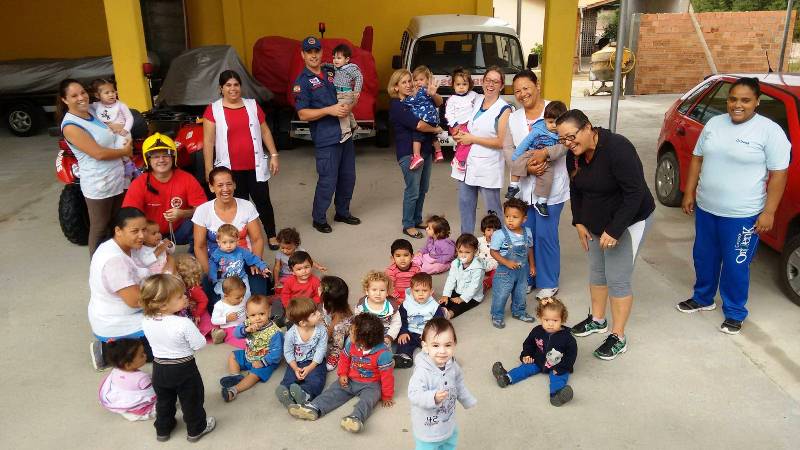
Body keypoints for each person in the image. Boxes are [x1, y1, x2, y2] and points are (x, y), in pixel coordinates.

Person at [677, 77, 790, 335]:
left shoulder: (769, 131)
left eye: (745, 100)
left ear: (757, 102)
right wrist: (689, 192)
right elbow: (697, 158)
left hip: (742, 215)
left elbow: (779, 174)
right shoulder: (714, 123)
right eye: (733, 99)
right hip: (707, 208)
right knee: (704, 256)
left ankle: (735, 312)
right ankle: (703, 298)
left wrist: (769, 211)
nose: (737, 105)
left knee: (735, 264)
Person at [557, 109, 655, 360]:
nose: (568, 143)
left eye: (571, 136)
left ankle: (618, 336)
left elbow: (635, 193)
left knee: (617, 278)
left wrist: (614, 229)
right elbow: (576, 189)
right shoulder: (574, 155)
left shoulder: (618, 149)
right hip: (595, 224)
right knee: (597, 271)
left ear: (588, 127)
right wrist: (579, 221)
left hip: (629, 221)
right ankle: (598, 320)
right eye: (563, 139)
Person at [505, 70, 569, 300]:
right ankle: (529, 278)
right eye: (517, 91)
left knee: (545, 236)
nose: (522, 94)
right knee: (526, 236)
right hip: (524, 189)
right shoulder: (514, 118)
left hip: (551, 189)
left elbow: (567, 142)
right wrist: (525, 168)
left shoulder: (556, 110)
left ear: (537, 85)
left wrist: (546, 154)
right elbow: (510, 149)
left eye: (526, 88)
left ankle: (548, 282)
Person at [203, 70, 281, 249]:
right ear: (221, 88)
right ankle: (240, 238)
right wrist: (208, 169)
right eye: (228, 85)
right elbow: (208, 141)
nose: (233, 89)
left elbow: (265, 131)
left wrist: (274, 155)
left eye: (236, 85)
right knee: (238, 205)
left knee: (263, 201)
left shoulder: (252, 105)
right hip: (229, 170)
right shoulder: (213, 109)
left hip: (255, 166)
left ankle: (271, 235)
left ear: (241, 87)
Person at [293, 36, 361, 233]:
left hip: (345, 133)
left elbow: (349, 87)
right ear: (303, 55)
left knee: (348, 177)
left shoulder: (332, 70)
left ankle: (342, 212)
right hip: (327, 138)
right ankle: (319, 218)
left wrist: (351, 103)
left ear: (322, 52)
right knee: (327, 180)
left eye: (317, 51)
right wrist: (329, 110)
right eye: (309, 52)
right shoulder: (302, 82)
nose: (314, 55)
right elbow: (303, 113)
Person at [287, 313, 395, 434]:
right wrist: (343, 373)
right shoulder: (352, 345)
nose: (349, 332)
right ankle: (314, 407)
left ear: (363, 339)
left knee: (368, 400)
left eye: (352, 331)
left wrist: (387, 396)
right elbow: (344, 358)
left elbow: (387, 377)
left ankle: (356, 418)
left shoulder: (383, 354)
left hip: (371, 384)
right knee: (334, 390)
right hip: (351, 379)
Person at [58, 78, 131, 256]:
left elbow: (110, 114)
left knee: (116, 223)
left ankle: (116, 262)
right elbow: (98, 153)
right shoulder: (71, 125)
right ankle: (97, 267)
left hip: (115, 177)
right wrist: (125, 151)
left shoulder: (91, 111)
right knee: (99, 227)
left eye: (83, 92)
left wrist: (115, 125)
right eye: (74, 95)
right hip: (98, 183)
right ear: (64, 100)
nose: (81, 97)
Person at [140, 274, 215, 443]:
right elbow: (199, 344)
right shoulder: (183, 323)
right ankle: (196, 429)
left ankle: (163, 429)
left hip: (159, 367)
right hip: (184, 368)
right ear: (163, 304)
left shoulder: (146, 320)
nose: (185, 297)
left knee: (164, 400)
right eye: (180, 296)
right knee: (191, 400)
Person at [88, 207, 151, 371]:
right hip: (118, 322)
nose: (142, 236)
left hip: (115, 315)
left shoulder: (116, 246)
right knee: (170, 337)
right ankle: (106, 351)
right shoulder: (115, 261)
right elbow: (135, 301)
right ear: (118, 231)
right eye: (135, 231)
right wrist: (165, 298)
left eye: (144, 230)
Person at [451, 66, 512, 235]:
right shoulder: (476, 100)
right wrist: (459, 134)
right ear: (482, 82)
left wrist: (472, 139)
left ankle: (499, 244)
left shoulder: (504, 109)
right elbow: (464, 122)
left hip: (488, 167)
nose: (490, 84)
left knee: (493, 212)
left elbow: (501, 142)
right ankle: (466, 244)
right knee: (465, 208)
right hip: (467, 164)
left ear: (501, 86)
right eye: (488, 80)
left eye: (495, 82)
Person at [192, 167, 269, 300]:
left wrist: (254, 263)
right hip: (216, 264)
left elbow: (257, 239)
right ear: (211, 187)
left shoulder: (247, 206)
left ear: (234, 185)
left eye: (229, 184)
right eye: (220, 185)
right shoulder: (202, 210)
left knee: (258, 297)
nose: (225, 189)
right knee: (214, 302)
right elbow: (200, 246)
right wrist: (208, 271)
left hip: (245, 260)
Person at [387, 69, 444, 239]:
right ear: (395, 87)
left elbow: (437, 103)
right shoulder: (397, 105)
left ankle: (417, 219)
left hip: (425, 150)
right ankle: (408, 225)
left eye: (409, 81)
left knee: (422, 188)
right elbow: (419, 125)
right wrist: (436, 129)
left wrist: (433, 94)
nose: (408, 85)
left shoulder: (414, 99)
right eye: (403, 82)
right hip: (409, 154)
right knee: (413, 190)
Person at [123, 132, 207, 246]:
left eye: (166, 155)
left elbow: (204, 210)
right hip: (148, 234)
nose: (161, 160)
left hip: (179, 230)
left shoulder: (187, 179)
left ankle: (194, 256)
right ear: (148, 160)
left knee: (202, 227)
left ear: (173, 157)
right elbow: (129, 217)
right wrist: (146, 232)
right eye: (156, 156)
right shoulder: (139, 183)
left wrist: (184, 213)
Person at [491, 298, 576, 407]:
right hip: (538, 360)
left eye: (555, 320)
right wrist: (526, 355)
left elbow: (571, 355)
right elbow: (529, 344)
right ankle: (506, 378)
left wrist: (562, 367)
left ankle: (557, 395)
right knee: (524, 368)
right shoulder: (537, 331)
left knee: (559, 377)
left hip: (557, 365)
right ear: (540, 318)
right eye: (546, 320)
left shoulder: (568, 338)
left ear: (562, 319)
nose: (550, 324)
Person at [408, 318, 476, 449]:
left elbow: (458, 383)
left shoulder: (452, 365)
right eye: (435, 345)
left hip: (447, 424)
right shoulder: (422, 372)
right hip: (427, 430)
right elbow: (414, 394)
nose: (442, 351)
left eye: (448, 345)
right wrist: (432, 397)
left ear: (454, 344)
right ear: (425, 347)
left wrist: (467, 399)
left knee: (450, 444)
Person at [507, 101, 569, 219]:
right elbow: (526, 142)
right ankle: (514, 186)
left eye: (557, 122)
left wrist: (545, 153)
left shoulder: (562, 133)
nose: (554, 126)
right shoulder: (537, 128)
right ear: (544, 119)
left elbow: (565, 147)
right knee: (517, 163)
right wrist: (517, 156)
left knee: (548, 178)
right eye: (550, 122)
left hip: (547, 161)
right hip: (530, 153)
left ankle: (542, 201)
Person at [219, 295, 283, 402]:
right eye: (253, 315)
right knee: (233, 355)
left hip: (265, 360)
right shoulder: (248, 323)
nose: (257, 318)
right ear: (247, 314)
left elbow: (277, 354)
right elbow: (236, 334)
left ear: (269, 312)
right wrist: (246, 330)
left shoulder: (274, 332)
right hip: (249, 353)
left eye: (262, 314)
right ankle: (235, 376)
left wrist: (262, 362)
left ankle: (234, 390)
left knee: (255, 375)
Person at [490, 198, 536, 329]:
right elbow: (493, 252)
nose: (510, 220)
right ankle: (497, 315)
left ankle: (518, 311)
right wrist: (506, 262)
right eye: (507, 216)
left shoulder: (527, 232)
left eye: (515, 217)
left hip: (522, 271)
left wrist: (532, 265)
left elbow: (530, 249)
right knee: (501, 293)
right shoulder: (499, 234)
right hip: (505, 272)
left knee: (520, 293)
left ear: (524, 219)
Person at [276, 297, 329, 407]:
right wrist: (295, 368)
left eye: (316, 310)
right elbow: (288, 352)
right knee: (289, 377)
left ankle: (305, 394)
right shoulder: (290, 334)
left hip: (315, 362)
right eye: (314, 314)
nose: (319, 313)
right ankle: (286, 393)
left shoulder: (321, 330)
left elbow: (321, 349)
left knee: (316, 379)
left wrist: (311, 367)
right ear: (303, 323)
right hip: (296, 362)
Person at [89, 78, 136, 187]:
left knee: (121, 148)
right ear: (97, 95)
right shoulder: (96, 106)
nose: (111, 94)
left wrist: (126, 129)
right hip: (109, 134)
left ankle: (128, 165)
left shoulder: (121, 105)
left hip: (122, 133)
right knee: (110, 152)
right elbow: (87, 108)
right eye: (107, 93)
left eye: (113, 91)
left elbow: (129, 118)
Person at [394, 272, 446, 369]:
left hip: (426, 333)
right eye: (417, 291)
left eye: (425, 291)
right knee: (403, 342)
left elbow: (438, 322)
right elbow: (401, 320)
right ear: (411, 291)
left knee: (435, 343)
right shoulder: (406, 304)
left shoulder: (434, 306)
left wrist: (428, 333)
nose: (421, 294)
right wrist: (403, 332)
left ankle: (437, 359)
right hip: (409, 332)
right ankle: (404, 357)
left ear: (431, 291)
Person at [98, 339, 156, 421]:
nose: (145, 355)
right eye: (141, 355)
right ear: (128, 365)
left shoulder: (115, 371)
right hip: (141, 409)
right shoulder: (142, 378)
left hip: (123, 404)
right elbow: (153, 393)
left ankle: (130, 411)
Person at [208, 223, 270, 299]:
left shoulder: (241, 251)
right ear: (218, 242)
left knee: (246, 295)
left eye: (232, 242)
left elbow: (253, 258)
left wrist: (263, 267)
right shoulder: (217, 254)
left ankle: (244, 306)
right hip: (225, 280)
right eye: (224, 242)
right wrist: (213, 278)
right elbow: (212, 266)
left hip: (241, 279)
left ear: (237, 240)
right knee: (224, 297)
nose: (228, 246)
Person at [403, 65, 445, 169]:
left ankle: (417, 156)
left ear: (428, 81)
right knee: (433, 137)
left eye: (421, 80)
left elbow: (412, 102)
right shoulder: (428, 91)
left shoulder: (420, 92)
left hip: (424, 119)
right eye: (415, 80)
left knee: (416, 137)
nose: (418, 82)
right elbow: (439, 102)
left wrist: (404, 101)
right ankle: (438, 152)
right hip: (433, 119)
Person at [440, 233, 488, 319]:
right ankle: (439, 311)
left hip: (473, 296)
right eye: (460, 251)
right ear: (457, 250)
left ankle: (448, 314)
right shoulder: (456, 263)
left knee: (460, 306)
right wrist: (446, 294)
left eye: (467, 252)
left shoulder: (478, 268)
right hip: (458, 289)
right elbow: (451, 279)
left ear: (475, 251)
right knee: (445, 300)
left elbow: (474, 286)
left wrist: (462, 298)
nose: (463, 255)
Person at [326, 43, 363, 142]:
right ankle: (355, 127)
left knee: (341, 111)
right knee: (348, 112)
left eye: (339, 58)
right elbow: (330, 65)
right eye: (334, 58)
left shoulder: (351, 68)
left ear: (347, 59)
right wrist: (324, 64)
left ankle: (346, 131)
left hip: (346, 94)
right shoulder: (336, 67)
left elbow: (359, 77)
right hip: (339, 93)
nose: (335, 60)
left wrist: (356, 91)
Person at [445, 67, 479, 172]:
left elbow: (482, 100)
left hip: (469, 124)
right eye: (458, 84)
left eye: (464, 84)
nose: (461, 87)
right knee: (464, 142)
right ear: (453, 85)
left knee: (468, 143)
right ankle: (459, 160)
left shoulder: (473, 95)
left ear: (469, 85)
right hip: (457, 125)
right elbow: (448, 114)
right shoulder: (452, 99)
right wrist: (455, 125)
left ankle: (458, 158)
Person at [355, 271, 401, 346]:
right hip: (366, 334)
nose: (378, 293)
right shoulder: (362, 306)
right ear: (367, 291)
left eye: (382, 290)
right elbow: (357, 322)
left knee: (384, 349)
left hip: (385, 334)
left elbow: (396, 323)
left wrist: (390, 336)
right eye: (374, 290)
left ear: (387, 292)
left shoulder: (391, 306)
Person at [174, 254, 212, 340]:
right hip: (187, 311)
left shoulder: (194, 289)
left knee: (205, 322)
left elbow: (204, 300)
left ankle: (213, 332)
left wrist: (197, 314)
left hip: (198, 311)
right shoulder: (181, 287)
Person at [320, 276, 355, 371]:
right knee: (318, 319)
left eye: (320, 288)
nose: (318, 288)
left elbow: (332, 327)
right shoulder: (329, 302)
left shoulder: (339, 313)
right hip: (330, 321)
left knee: (338, 330)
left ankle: (336, 352)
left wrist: (323, 340)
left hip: (341, 328)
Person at [209, 276, 247, 348]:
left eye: (243, 295)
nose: (241, 299)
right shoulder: (220, 305)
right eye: (238, 298)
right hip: (229, 328)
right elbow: (214, 320)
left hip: (244, 325)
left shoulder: (242, 300)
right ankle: (219, 335)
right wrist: (226, 319)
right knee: (238, 339)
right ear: (226, 296)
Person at [478, 213, 501, 290]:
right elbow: (474, 253)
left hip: (494, 267)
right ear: (483, 231)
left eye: (495, 230)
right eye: (488, 230)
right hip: (481, 265)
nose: (492, 233)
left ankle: (485, 284)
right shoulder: (479, 241)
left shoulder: (501, 242)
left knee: (497, 275)